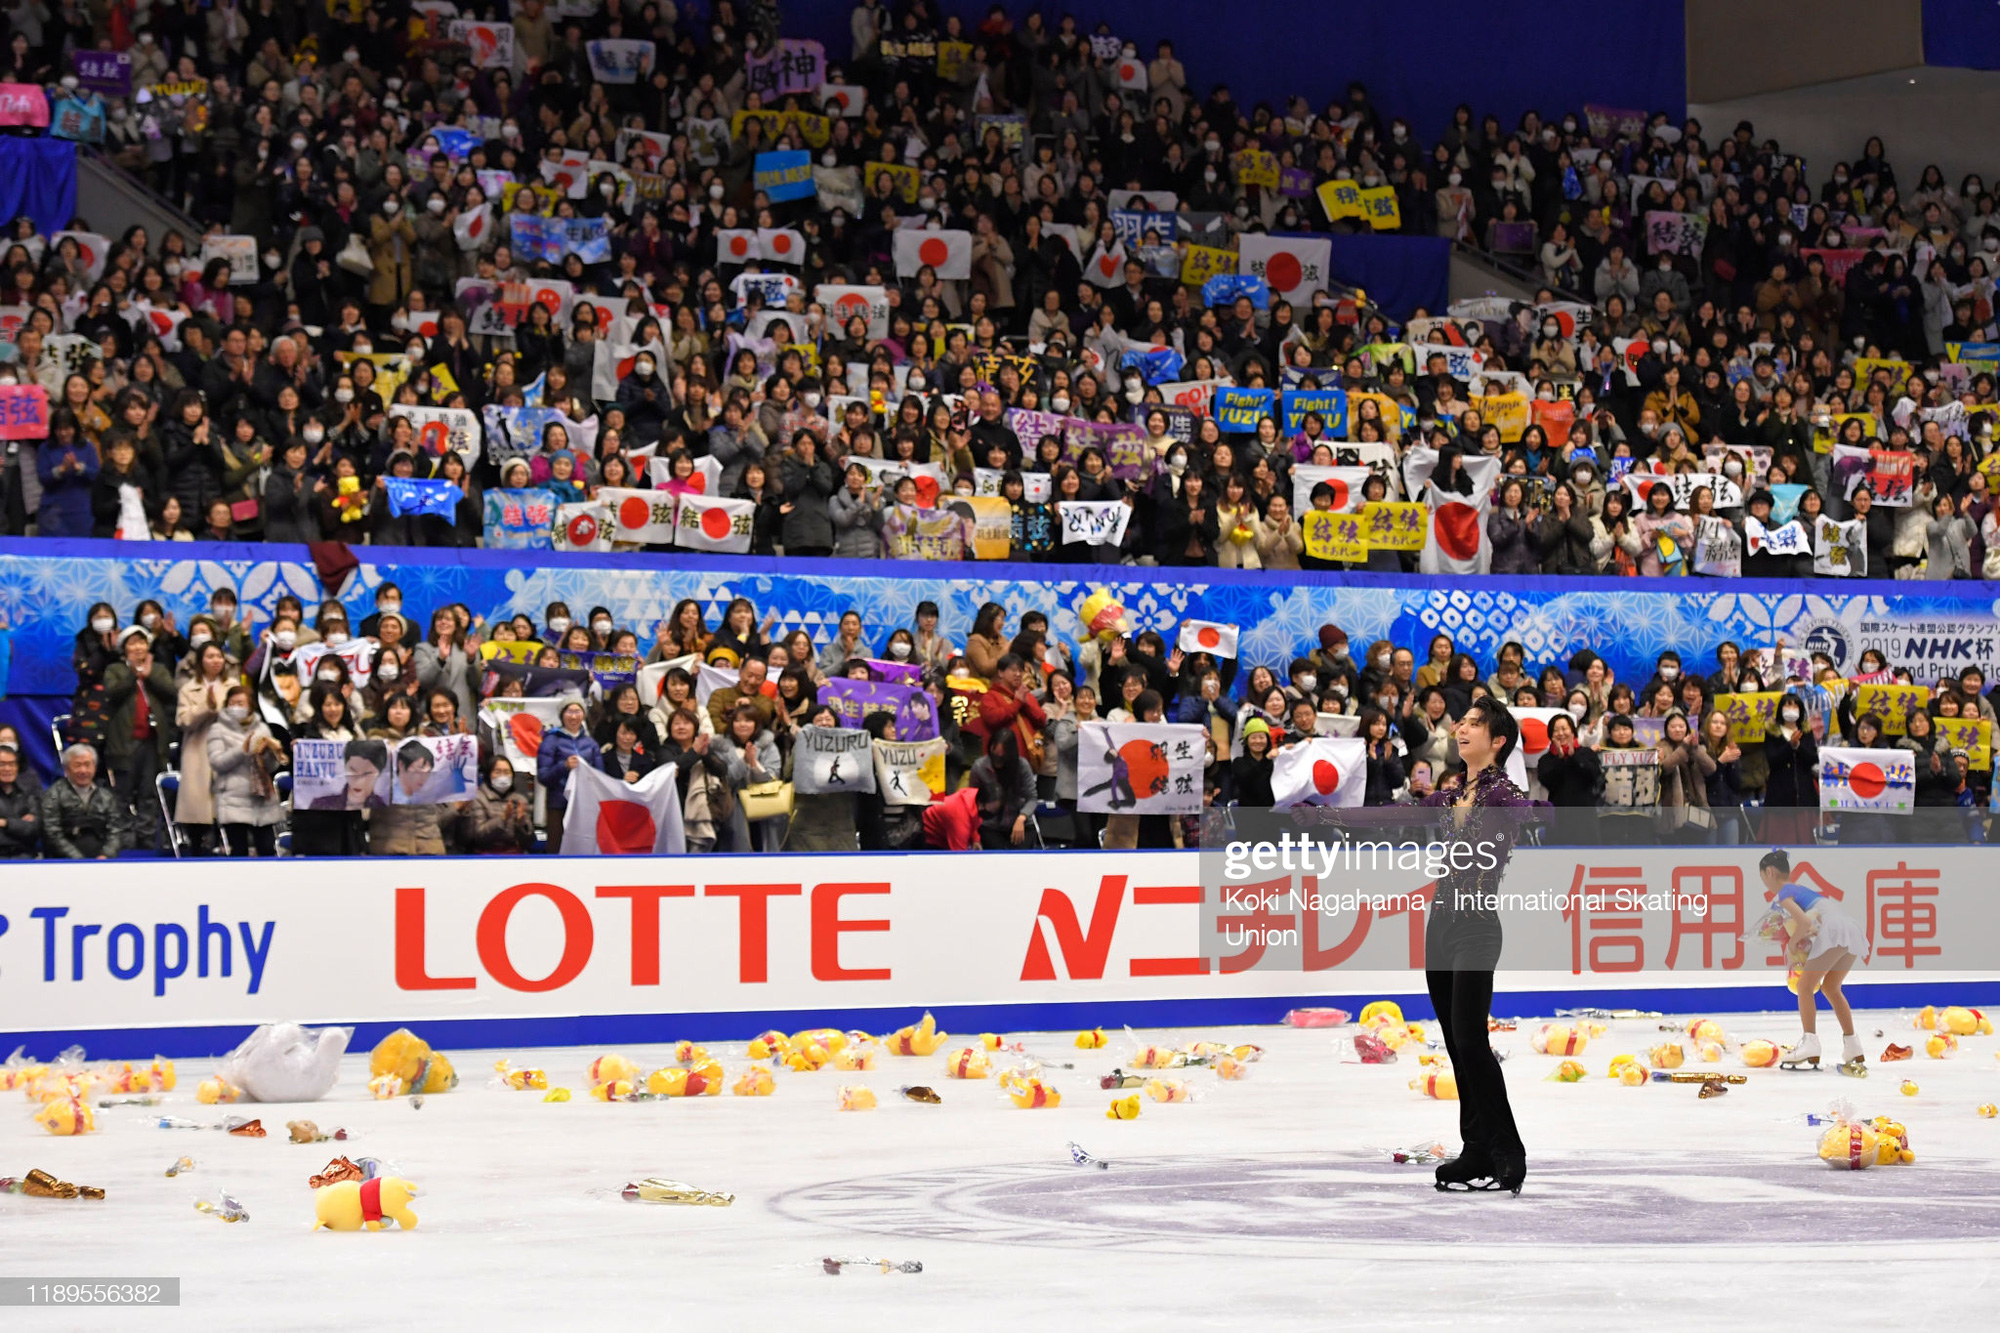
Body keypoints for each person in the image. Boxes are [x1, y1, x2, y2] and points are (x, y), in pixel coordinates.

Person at [1420, 697, 1535, 1194]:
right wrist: (1328, 819)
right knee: (1455, 1045)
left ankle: (1509, 1149)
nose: (1460, 728)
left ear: (1498, 740)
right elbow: (1398, 813)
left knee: (1471, 1041)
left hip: (1477, 928)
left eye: (1472, 724)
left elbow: (1535, 813)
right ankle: (1475, 1149)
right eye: (1460, 722)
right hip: (1438, 927)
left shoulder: (1503, 794)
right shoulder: (1452, 795)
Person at [1760, 849, 1868, 1073]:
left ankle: (1810, 1042)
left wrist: (1791, 946)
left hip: (1834, 930)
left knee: (1804, 987)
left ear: (1770, 872)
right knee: (1831, 987)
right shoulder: (1801, 889)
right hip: (1849, 929)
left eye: (1763, 878)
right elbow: (1812, 921)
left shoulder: (1784, 892)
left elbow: (1802, 922)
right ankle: (1852, 1045)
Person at [100, 626, 178, 851]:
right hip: (123, 744)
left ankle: (147, 840)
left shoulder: (159, 669)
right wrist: (133, 674)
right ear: (124, 648)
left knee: (149, 793)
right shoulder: (115, 669)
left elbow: (170, 692)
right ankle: (123, 841)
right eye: (132, 643)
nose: (138, 648)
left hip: (153, 743)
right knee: (122, 794)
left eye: (141, 643)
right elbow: (111, 693)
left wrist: (149, 674)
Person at [205, 684, 287, 857]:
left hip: (261, 798)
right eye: (232, 703)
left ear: (250, 705)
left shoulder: (262, 729)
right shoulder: (217, 730)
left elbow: (272, 767)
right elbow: (217, 762)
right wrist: (243, 750)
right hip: (233, 798)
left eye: (241, 703)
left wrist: (267, 754)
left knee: (266, 848)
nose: (236, 707)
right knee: (239, 850)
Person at [42, 744, 127, 859]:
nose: (83, 770)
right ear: (66, 769)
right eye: (77, 765)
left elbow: (116, 830)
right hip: (64, 861)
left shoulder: (106, 796)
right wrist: (78, 860)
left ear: (95, 767)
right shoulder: (54, 794)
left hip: (101, 860)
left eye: (87, 765)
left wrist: (106, 854)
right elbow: (52, 832)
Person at [537, 700, 600, 853]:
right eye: (569, 712)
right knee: (556, 846)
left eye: (577, 711)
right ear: (562, 715)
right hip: (558, 805)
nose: (573, 716)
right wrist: (563, 766)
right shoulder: (551, 740)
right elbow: (543, 776)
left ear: (583, 715)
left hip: (584, 806)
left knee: (583, 846)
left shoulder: (591, 744)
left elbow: (600, 776)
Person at [0, 743, 43, 856]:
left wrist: (5, 823)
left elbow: (35, 828)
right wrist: (19, 823)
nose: (7, 769)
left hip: (25, 857)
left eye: (12, 764)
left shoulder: (27, 794)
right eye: (2, 764)